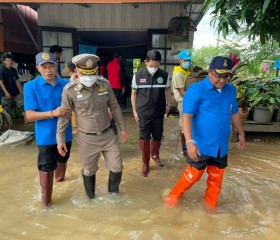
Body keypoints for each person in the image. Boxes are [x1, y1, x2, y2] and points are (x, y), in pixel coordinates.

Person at [164, 56, 246, 209]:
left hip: (221, 145)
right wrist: (189, 142)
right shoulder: (196, 90)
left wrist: (241, 133)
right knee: (193, 176)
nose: (222, 80)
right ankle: (172, 198)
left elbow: (234, 113)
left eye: (226, 76)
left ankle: (210, 209)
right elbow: (187, 116)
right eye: (219, 75)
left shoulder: (230, 90)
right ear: (210, 71)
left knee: (216, 178)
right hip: (201, 144)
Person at [56, 53, 128, 199]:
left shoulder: (104, 84)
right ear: (76, 71)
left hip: (108, 135)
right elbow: (65, 116)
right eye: (84, 73)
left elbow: (114, 107)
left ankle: (113, 197)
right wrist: (60, 139)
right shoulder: (69, 90)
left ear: (96, 71)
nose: (89, 76)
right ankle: (91, 198)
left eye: (92, 72)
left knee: (117, 166)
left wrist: (123, 128)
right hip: (86, 138)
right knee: (89, 170)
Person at [23, 52, 73, 206]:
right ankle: (47, 202)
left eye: (51, 66)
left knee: (62, 161)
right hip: (45, 136)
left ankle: (60, 183)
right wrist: (53, 113)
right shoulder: (31, 86)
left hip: (65, 134)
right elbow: (30, 116)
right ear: (38, 68)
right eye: (44, 67)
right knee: (46, 166)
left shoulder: (66, 85)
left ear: (56, 66)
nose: (48, 70)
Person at [131, 49, 171, 177]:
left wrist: (168, 105)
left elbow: (168, 91)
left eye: (156, 65)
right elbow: (133, 93)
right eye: (151, 65)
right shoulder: (138, 76)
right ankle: (145, 163)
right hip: (143, 112)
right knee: (144, 137)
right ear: (146, 62)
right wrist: (134, 110)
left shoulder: (164, 75)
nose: (153, 68)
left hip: (159, 112)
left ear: (160, 63)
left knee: (158, 135)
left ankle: (155, 155)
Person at [171, 49, 192, 156]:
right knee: (185, 125)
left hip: (190, 101)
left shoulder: (187, 72)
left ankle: (189, 146)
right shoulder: (178, 74)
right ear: (180, 60)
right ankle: (185, 150)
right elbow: (182, 92)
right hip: (184, 102)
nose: (188, 62)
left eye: (189, 60)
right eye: (185, 60)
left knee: (190, 124)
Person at [0, 53, 24, 118]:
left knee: (23, 105)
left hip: (15, 93)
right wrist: (6, 92)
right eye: (8, 61)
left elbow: (17, 80)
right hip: (6, 95)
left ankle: (26, 119)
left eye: (11, 61)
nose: (10, 62)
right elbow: (1, 82)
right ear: (4, 61)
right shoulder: (1, 70)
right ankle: (6, 126)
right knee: (6, 112)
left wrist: (21, 90)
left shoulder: (14, 70)